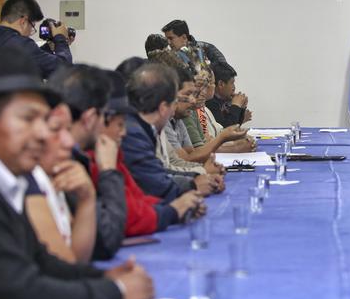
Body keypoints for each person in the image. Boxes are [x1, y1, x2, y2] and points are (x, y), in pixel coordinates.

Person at [0, 46, 152, 299]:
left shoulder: (0, 177)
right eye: (28, 118)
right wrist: (115, 291)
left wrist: (102, 277)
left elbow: (41, 260)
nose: (41, 133)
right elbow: (16, 293)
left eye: (43, 119)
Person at [93, 71, 204, 236]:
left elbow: (136, 198)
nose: (124, 133)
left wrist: (174, 208)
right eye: (120, 124)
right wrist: (173, 210)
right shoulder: (126, 138)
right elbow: (115, 226)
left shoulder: (111, 147)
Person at [48, 65, 126, 260]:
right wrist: (108, 171)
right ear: (91, 117)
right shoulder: (63, 162)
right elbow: (107, 239)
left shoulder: (78, 156)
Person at [26, 102, 97, 263]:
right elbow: (66, 266)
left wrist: (87, 199)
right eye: (55, 129)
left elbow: (77, 259)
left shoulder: (53, 176)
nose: (69, 142)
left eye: (68, 129)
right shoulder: (27, 183)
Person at [0, 0, 72, 79]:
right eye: (32, 26)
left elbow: (30, 61)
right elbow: (64, 71)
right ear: (23, 22)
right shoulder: (21, 45)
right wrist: (60, 38)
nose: (30, 33)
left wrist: (49, 47)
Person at [165, 68, 248, 164]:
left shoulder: (180, 119)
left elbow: (191, 154)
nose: (193, 100)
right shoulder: (170, 121)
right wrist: (230, 143)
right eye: (189, 94)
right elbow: (187, 159)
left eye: (207, 85)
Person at [161, 19, 227, 68]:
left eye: (171, 38)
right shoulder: (170, 56)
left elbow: (224, 69)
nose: (168, 42)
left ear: (184, 37)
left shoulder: (207, 48)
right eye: (167, 39)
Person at [206, 61, 252, 127]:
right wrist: (236, 106)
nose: (234, 87)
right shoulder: (210, 103)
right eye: (232, 83)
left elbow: (236, 124)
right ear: (221, 84)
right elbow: (226, 128)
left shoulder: (223, 101)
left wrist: (241, 108)